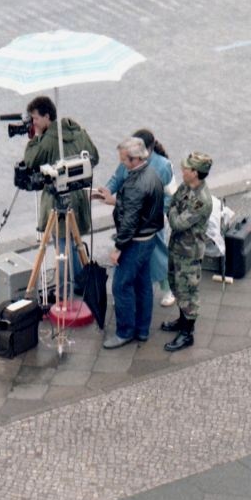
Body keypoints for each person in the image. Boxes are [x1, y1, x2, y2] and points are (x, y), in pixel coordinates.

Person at [21, 95, 100, 294]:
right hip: (79, 197)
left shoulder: (48, 140)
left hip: (58, 199)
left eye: (35, 118)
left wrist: (34, 138)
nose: (34, 123)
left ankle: (66, 290)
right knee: (75, 242)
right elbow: (94, 158)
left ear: (47, 117)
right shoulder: (77, 131)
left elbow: (30, 161)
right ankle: (81, 282)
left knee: (62, 246)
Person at [94, 128, 175, 308]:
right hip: (133, 220)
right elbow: (117, 179)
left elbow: (169, 195)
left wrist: (114, 200)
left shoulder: (162, 166)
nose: (123, 162)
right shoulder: (129, 160)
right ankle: (131, 295)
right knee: (135, 263)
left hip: (151, 221)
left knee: (157, 255)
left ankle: (167, 288)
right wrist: (107, 191)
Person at [102, 138, 168, 349]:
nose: (122, 164)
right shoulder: (152, 174)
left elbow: (130, 220)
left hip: (135, 242)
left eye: (124, 160)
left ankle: (125, 332)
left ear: (134, 158)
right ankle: (142, 330)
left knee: (121, 286)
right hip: (148, 239)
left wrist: (118, 248)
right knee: (143, 284)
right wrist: (118, 200)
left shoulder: (134, 184)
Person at [159, 152, 214, 352]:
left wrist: (173, 211)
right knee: (176, 284)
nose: (183, 171)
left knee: (188, 292)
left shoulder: (202, 200)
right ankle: (182, 321)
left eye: (187, 169)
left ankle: (187, 333)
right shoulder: (186, 187)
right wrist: (173, 210)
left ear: (196, 173)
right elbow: (173, 202)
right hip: (177, 246)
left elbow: (177, 222)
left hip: (189, 253)